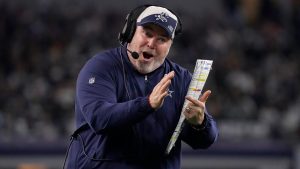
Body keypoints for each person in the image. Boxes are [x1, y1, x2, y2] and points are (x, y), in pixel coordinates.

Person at [65, 4, 218, 169]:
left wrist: (200, 124)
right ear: (130, 32)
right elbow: (100, 118)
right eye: (147, 33)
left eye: (162, 39)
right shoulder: (100, 67)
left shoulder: (182, 80)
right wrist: (147, 104)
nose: (152, 43)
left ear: (170, 45)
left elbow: (204, 142)